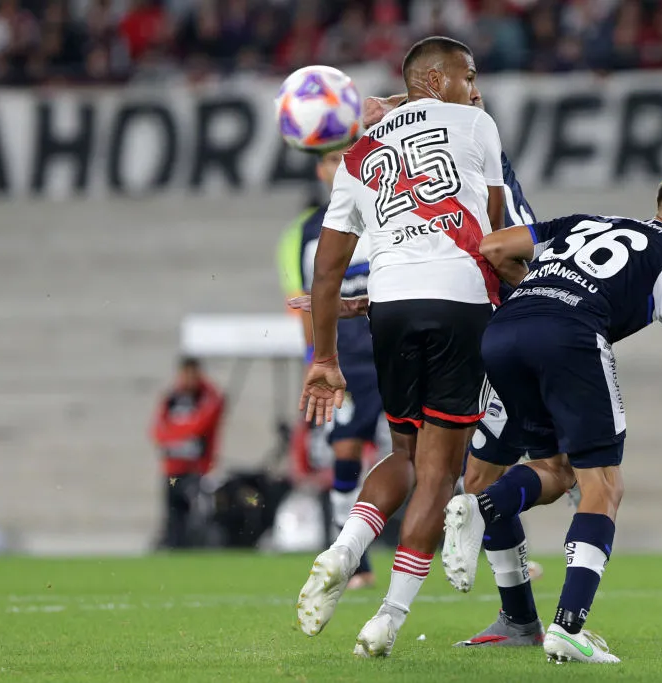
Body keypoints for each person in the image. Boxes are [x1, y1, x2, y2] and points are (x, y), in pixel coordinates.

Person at [441, 173, 662, 664]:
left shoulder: (584, 221)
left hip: (505, 332)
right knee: (603, 486)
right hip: (570, 340)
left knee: (552, 471)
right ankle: (568, 628)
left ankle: (482, 518)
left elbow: (494, 247)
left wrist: (539, 292)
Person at [295, 35, 506, 658]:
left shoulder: (358, 153)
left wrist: (325, 358)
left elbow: (328, 271)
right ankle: (387, 617)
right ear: (439, 80)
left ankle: (342, 550)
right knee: (440, 471)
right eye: (469, 74)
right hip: (459, 297)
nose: (476, 86)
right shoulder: (476, 124)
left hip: (389, 306)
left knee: (403, 452)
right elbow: (496, 236)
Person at [277, 145, 389, 590]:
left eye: (343, 158)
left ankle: (479, 544)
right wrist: (315, 358)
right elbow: (306, 302)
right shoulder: (306, 233)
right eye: (328, 160)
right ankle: (352, 558)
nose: (336, 167)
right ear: (320, 169)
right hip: (348, 360)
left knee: (430, 453)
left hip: (395, 351)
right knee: (345, 451)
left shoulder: (387, 213)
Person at [150, 357, 225, 549]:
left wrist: (176, 432)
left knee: (197, 514)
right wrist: (179, 435)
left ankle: (197, 547)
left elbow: (201, 424)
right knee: (173, 515)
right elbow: (157, 429)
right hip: (173, 469)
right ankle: (174, 549)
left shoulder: (208, 396)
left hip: (197, 470)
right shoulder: (171, 398)